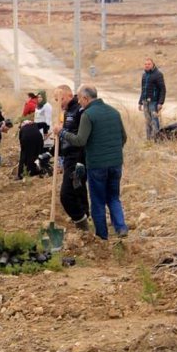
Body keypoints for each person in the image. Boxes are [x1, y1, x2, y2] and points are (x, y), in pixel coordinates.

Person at [54, 85, 128, 240]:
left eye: (80, 99)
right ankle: (121, 227)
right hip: (116, 163)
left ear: (86, 98)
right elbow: (123, 137)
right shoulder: (114, 112)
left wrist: (62, 133)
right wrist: (113, 152)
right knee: (113, 197)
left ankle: (102, 235)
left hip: (97, 165)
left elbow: (80, 141)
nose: (79, 102)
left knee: (98, 200)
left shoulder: (88, 114)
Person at [54, 85, 89, 230]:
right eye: (56, 99)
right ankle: (86, 217)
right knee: (78, 188)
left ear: (69, 95)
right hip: (69, 157)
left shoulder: (79, 111)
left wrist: (61, 131)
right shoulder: (67, 111)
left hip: (78, 158)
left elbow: (80, 136)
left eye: (60, 98)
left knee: (66, 194)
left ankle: (81, 221)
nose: (59, 102)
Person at [138, 58, 166, 140]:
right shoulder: (144, 75)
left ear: (153, 64)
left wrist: (160, 102)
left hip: (154, 102)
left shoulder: (158, 74)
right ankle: (149, 139)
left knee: (154, 121)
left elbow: (163, 89)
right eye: (145, 64)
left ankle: (156, 139)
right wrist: (140, 102)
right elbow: (143, 90)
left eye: (149, 64)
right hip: (145, 102)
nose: (147, 65)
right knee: (147, 122)